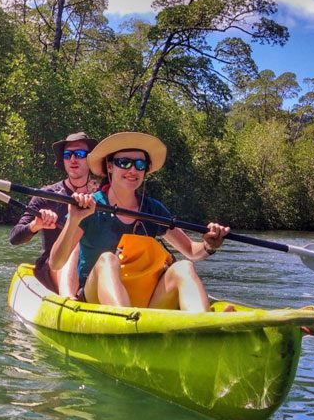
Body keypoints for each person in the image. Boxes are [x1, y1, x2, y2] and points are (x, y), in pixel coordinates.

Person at [48, 132, 231, 312]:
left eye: (140, 164)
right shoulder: (91, 207)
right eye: (124, 163)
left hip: (145, 301)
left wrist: (209, 245)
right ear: (110, 167)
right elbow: (56, 263)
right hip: (96, 300)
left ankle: (201, 324)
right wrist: (73, 220)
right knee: (107, 259)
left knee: (184, 266)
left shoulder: (153, 209)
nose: (133, 170)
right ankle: (124, 322)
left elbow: (191, 251)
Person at [9, 132, 99, 292]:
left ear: (90, 158)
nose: (73, 159)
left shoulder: (102, 198)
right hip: (54, 268)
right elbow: (15, 237)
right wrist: (34, 226)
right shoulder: (46, 195)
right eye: (67, 155)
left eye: (79, 154)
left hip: (91, 269)